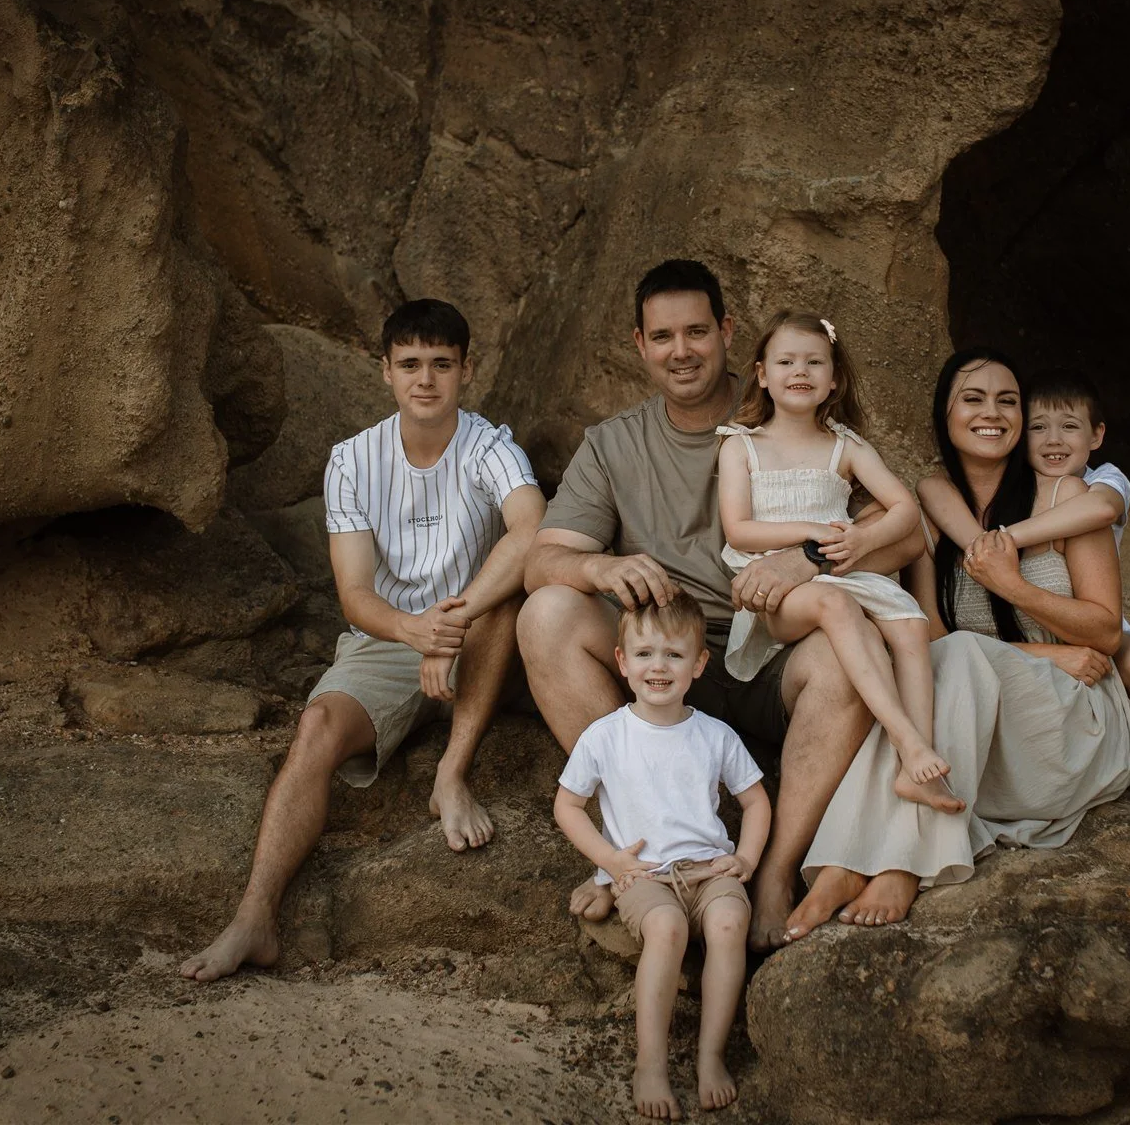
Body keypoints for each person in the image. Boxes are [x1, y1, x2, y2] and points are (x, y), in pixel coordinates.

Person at [518, 258, 922, 951]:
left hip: (772, 646)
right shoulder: (614, 444)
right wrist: (599, 563)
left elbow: (904, 533)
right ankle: (637, 852)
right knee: (546, 612)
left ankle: (773, 872)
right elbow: (540, 562)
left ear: (729, 333)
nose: (683, 351)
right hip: (665, 656)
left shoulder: (790, 406)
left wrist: (808, 559)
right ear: (640, 345)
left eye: (698, 332)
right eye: (664, 336)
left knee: (843, 654)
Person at [182, 299, 545, 982]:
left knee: (510, 597)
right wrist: (418, 632)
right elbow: (354, 595)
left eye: (442, 364)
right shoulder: (352, 460)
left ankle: (451, 772)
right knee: (316, 725)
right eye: (410, 364)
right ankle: (255, 917)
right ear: (385, 371)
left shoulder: (492, 446)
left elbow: (530, 529)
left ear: (467, 369)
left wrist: (452, 625)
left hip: (482, 633)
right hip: (391, 639)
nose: (426, 380)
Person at [788, 348, 1130, 937]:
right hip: (986, 727)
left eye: (1008, 401)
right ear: (944, 415)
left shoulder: (1067, 498)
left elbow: (1106, 632)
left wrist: (1013, 587)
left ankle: (900, 859)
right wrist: (1045, 652)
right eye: (973, 399)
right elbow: (932, 635)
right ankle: (846, 863)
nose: (993, 413)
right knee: (928, 663)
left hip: (1079, 723)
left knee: (947, 663)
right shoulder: (929, 512)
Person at [715, 309, 958, 813]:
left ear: (833, 380)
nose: (799, 372)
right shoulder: (741, 445)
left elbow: (905, 509)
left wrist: (863, 544)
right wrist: (812, 531)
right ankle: (904, 739)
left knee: (911, 625)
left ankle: (917, 764)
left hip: (835, 574)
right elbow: (739, 528)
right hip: (774, 592)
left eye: (814, 363)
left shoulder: (845, 446)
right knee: (833, 606)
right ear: (762, 374)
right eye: (785, 361)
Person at [917, 367, 1130, 802]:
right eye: (1038, 427)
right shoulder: (965, 494)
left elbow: (1099, 511)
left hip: (1095, 624)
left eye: (1069, 428)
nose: (1053, 440)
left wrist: (1004, 543)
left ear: (1096, 436)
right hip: (1034, 648)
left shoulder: (1100, 481)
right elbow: (930, 489)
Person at [553, 592, 770, 1118]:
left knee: (726, 923)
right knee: (667, 929)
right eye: (645, 653)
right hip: (645, 876)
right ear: (622, 662)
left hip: (708, 869)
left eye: (674, 655)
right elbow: (568, 807)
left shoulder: (714, 734)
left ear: (698, 664)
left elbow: (755, 800)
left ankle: (710, 1054)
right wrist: (611, 862)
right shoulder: (605, 736)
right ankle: (650, 1063)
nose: (659, 666)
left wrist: (744, 860)